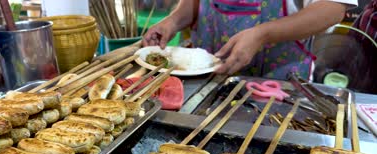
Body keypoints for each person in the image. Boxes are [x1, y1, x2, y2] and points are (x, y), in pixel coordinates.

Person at [143, 0, 357, 80]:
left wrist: (264, 34)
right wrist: (173, 21)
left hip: (277, 88)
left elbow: (332, 8)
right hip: (206, 83)